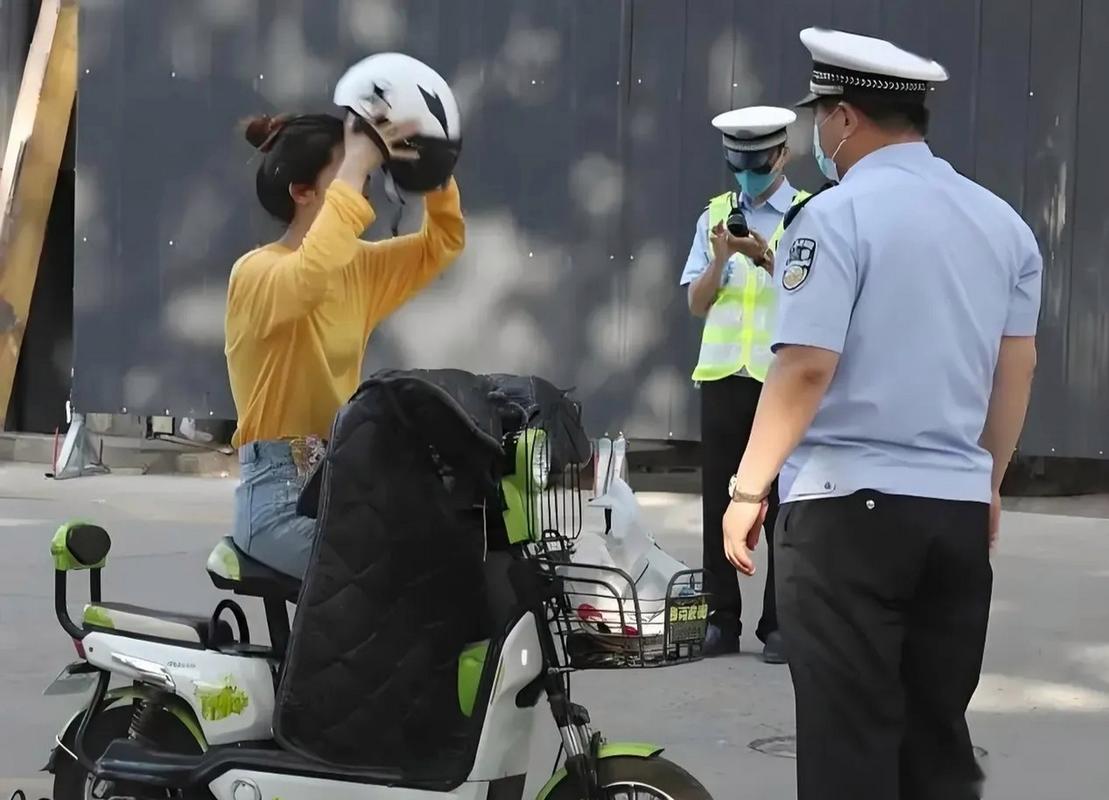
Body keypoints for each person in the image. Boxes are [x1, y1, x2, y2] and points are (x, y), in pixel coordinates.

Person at [721, 28, 1042, 799]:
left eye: (819, 117)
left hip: (845, 513)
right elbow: (1017, 366)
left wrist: (746, 489)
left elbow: (804, 366)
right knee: (933, 742)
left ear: (843, 118)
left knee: (849, 744)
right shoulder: (1000, 222)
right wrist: (986, 480)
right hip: (953, 513)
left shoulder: (831, 218)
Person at [225, 111, 465, 579]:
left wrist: (431, 166)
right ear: (302, 192)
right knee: (391, 577)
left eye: (366, 167)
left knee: (451, 554)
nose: (366, 176)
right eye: (351, 167)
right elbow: (308, 278)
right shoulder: (256, 273)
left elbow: (442, 241)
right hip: (277, 504)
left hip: (343, 484)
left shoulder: (357, 267)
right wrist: (356, 159)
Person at [679, 106, 810, 662]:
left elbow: (813, 292)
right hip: (723, 377)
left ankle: (780, 622)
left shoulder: (808, 215)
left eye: (757, 164)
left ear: (782, 155)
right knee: (719, 500)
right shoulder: (714, 215)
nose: (748, 176)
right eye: (739, 166)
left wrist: (764, 258)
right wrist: (719, 259)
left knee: (783, 501)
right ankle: (720, 619)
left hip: (780, 380)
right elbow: (696, 302)